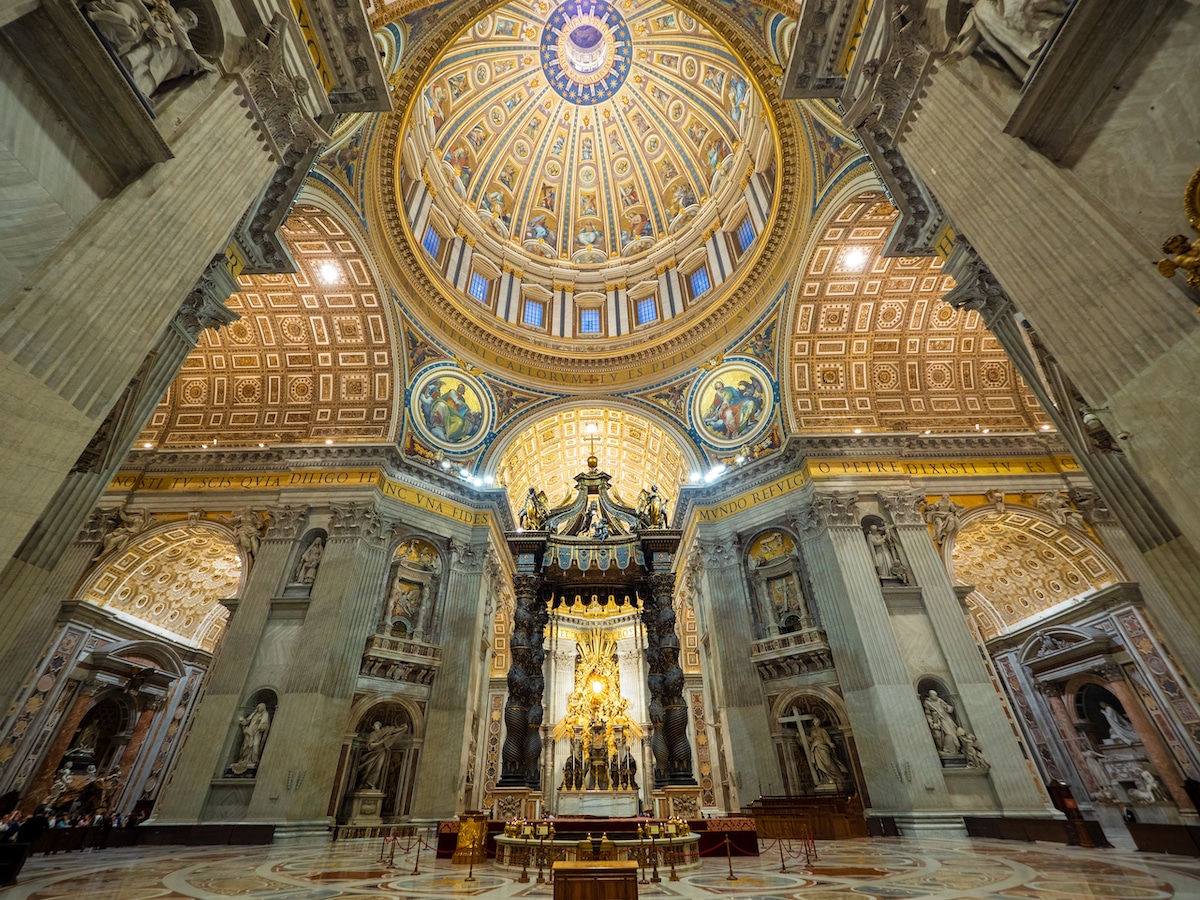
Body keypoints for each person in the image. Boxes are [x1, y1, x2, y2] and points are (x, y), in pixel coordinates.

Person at [356, 720, 409, 791]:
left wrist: (403, 728)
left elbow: (394, 731)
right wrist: (380, 742)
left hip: (381, 752)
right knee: (368, 769)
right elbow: (370, 746)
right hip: (372, 753)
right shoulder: (372, 734)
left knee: (378, 768)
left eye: (377, 725)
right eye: (374, 725)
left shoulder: (385, 731)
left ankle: (372, 784)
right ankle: (364, 784)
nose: (375, 727)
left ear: (379, 726)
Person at [231, 702, 271, 774]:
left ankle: (254, 761)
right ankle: (244, 760)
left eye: (260, 707)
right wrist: (242, 720)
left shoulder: (265, 714)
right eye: (258, 707)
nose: (259, 708)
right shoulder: (254, 714)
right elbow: (247, 721)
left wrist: (261, 727)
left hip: (257, 733)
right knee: (245, 746)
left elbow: (265, 724)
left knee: (255, 746)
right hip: (249, 732)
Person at [806, 716, 847, 785]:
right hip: (816, 749)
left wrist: (830, 743)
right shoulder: (812, 732)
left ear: (819, 723)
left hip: (823, 748)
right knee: (819, 765)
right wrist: (804, 737)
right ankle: (828, 778)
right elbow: (811, 739)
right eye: (814, 722)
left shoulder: (822, 730)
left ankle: (837, 776)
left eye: (817, 722)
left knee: (828, 763)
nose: (816, 724)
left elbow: (826, 737)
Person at [923, 690, 962, 755]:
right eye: (934, 695)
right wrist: (931, 722)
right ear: (930, 696)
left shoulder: (939, 700)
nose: (936, 696)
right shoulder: (927, 703)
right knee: (948, 734)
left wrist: (948, 708)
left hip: (947, 718)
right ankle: (948, 750)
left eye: (936, 695)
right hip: (938, 720)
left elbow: (947, 706)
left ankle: (955, 750)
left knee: (953, 732)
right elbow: (928, 714)